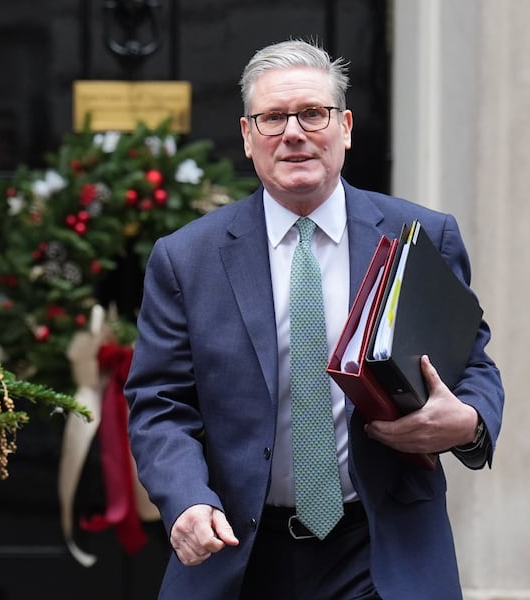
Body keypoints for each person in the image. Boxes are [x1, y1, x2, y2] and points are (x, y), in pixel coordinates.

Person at [124, 39, 504, 600]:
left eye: (312, 113)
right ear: (248, 136)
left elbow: (473, 364)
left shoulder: (419, 236)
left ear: (345, 127)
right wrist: (186, 499)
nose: (294, 132)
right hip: (238, 551)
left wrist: (469, 421)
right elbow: (160, 403)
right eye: (273, 117)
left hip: (380, 549)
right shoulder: (188, 259)